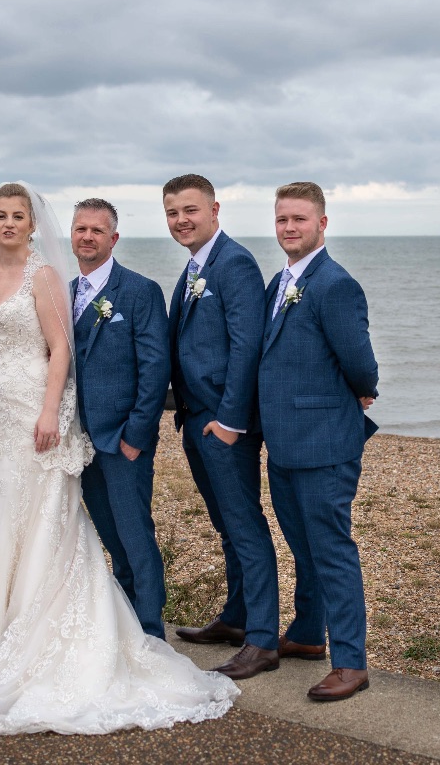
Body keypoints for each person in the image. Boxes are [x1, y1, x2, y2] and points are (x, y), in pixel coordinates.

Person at [0, 182, 237, 735]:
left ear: (34, 225)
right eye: (0, 215)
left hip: (45, 416)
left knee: (80, 526)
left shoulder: (53, 278)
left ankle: (142, 632)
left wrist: (73, 418)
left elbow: (77, 354)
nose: (9, 223)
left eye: (19, 216)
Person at [258, 181, 379, 701]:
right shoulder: (278, 282)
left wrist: (362, 392)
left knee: (332, 551)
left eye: (300, 220)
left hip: (325, 442)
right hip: (284, 443)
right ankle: (308, 634)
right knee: (302, 548)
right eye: (283, 219)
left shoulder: (335, 284)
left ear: (322, 224)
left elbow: (361, 365)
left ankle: (351, 662)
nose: (290, 228)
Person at [163, 174, 279, 680]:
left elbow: (246, 346)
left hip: (225, 425)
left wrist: (230, 421)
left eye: (189, 209)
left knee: (245, 526)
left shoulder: (233, 263)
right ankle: (236, 618)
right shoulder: (194, 268)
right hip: (197, 420)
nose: (181, 220)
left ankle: (263, 640)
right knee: (225, 525)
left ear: (214, 209)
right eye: (171, 213)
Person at [69, 197, 171, 639]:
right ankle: (125, 621)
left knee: (135, 535)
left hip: (123, 440)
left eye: (97, 230)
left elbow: (154, 368)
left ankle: (150, 630)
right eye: (80, 229)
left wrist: (137, 434)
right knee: (110, 537)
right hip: (80, 441)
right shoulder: (63, 292)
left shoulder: (139, 290)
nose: (87, 236)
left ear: (113, 238)